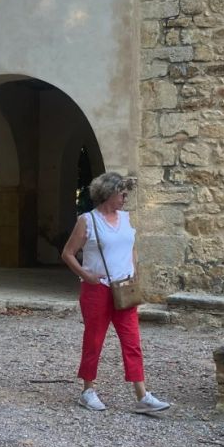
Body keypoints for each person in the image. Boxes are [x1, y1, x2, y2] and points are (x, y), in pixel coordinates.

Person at [61, 172, 170, 414]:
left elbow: (130, 247)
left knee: (132, 342)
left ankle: (142, 395)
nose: (124, 198)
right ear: (108, 194)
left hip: (124, 288)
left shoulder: (125, 218)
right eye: (122, 193)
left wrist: (135, 272)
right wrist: (86, 275)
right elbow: (67, 253)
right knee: (94, 340)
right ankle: (88, 391)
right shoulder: (87, 220)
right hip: (96, 289)